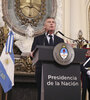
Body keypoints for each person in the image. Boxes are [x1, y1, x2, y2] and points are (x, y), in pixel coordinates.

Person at [31, 17, 64, 100]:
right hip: (41, 71)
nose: (52, 23)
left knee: (54, 95)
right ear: (44, 26)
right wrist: (32, 54)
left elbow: (63, 56)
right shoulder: (38, 39)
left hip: (56, 72)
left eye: (53, 22)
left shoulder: (60, 40)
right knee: (41, 94)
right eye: (49, 22)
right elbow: (33, 55)